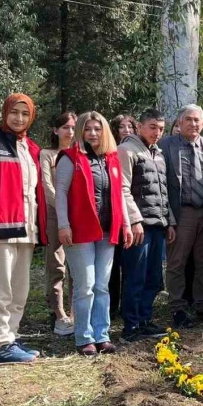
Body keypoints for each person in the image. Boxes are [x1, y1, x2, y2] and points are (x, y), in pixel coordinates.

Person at [56, 111, 132, 355]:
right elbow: (60, 193)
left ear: (105, 131)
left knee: (101, 285)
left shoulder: (111, 158)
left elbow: (120, 193)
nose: (93, 133)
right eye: (88, 129)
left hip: (107, 231)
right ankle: (84, 337)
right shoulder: (70, 158)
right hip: (79, 232)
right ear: (81, 131)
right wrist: (63, 224)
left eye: (97, 129)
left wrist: (127, 224)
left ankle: (102, 335)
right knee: (85, 286)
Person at [0, 94, 48, 364]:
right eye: (15, 112)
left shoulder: (32, 148)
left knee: (19, 290)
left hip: (27, 229)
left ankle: (10, 337)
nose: (19, 118)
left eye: (25, 113)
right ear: (5, 113)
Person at [160, 104, 203, 329]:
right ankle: (177, 308)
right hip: (182, 213)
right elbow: (161, 185)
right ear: (179, 122)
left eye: (197, 120)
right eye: (188, 119)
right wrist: (168, 219)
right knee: (177, 262)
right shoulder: (165, 146)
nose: (193, 124)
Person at [118, 109, 176, 343]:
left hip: (158, 225)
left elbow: (164, 191)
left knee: (153, 277)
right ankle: (130, 326)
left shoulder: (158, 154)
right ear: (139, 126)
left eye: (161, 128)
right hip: (138, 226)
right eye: (152, 127)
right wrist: (134, 220)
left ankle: (144, 320)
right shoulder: (127, 150)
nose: (157, 132)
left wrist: (169, 221)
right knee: (135, 275)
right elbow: (123, 188)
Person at [40, 111, 77, 336]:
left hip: (78, 216)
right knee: (57, 265)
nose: (70, 132)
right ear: (56, 130)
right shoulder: (47, 154)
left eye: (73, 127)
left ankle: (74, 313)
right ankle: (58, 313)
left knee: (77, 266)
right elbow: (48, 187)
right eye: (65, 127)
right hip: (56, 215)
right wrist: (63, 210)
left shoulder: (79, 153)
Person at [108, 114, 137, 319]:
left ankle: (126, 305)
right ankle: (111, 305)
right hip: (114, 214)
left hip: (133, 214)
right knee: (113, 263)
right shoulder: (109, 152)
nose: (126, 130)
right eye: (122, 127)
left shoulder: (138, 151)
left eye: (130, 126)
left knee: (129, 264)